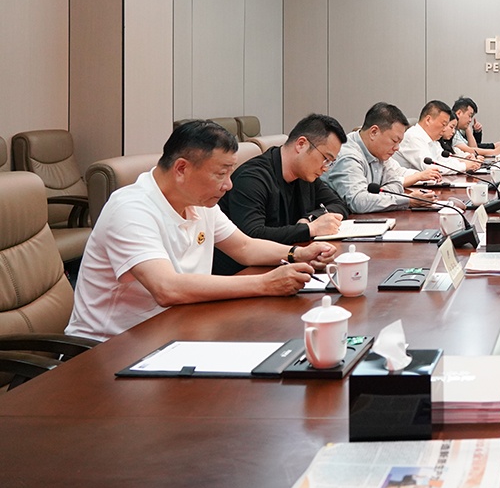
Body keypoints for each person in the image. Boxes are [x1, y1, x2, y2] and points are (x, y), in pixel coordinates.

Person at [66, 120, 336, 341]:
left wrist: (296, 254)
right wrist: (265, 284)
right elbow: (166, 288)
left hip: (178, 326)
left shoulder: (200, 202)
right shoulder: (130, 208)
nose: (229, 185)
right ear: (181, 168)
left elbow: (244, 247)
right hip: (112, 346)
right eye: (221, 174)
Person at [215, 113, 350, 276]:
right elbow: (252, 236)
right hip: (243, 274)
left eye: (330, 163)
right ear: (301, 144)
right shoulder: (252, 178)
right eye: (325, 159)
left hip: (284, 263)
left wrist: (309, 219)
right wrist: (309, 229)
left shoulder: (306, 175)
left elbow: (339, 205)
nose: (325, 168)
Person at [325, 102, 440, 212]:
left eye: (399, 142)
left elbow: (396, 184)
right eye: (394, 141)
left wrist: (373, 197)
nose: (397, 148)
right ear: (374, 132)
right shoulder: (348, 156)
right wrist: (407, 200)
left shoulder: (379, 152)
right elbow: (359, 202)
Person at [397, 99, 481, 174]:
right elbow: (432, 167)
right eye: (443, 124)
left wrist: (466, 161)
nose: (444, 129)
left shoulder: (432, 140)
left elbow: (443, 160)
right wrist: (464, 166)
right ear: (428, 120)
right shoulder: (413, 137)